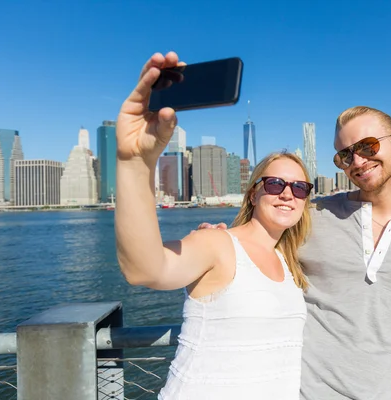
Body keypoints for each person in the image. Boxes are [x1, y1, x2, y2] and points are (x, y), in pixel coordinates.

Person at [202, 106, 391, 399]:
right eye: (345, 155)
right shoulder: (312, 215)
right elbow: (255, 251)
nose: (357, 161)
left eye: (368, 146)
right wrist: (220, 238)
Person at [114, 51, 315, 399]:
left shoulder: (290, 262)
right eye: (274, 184)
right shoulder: (219, 245)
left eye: (299, 187)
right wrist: (134, 163)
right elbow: (146, 270)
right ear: (253, 195)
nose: (287, 194)